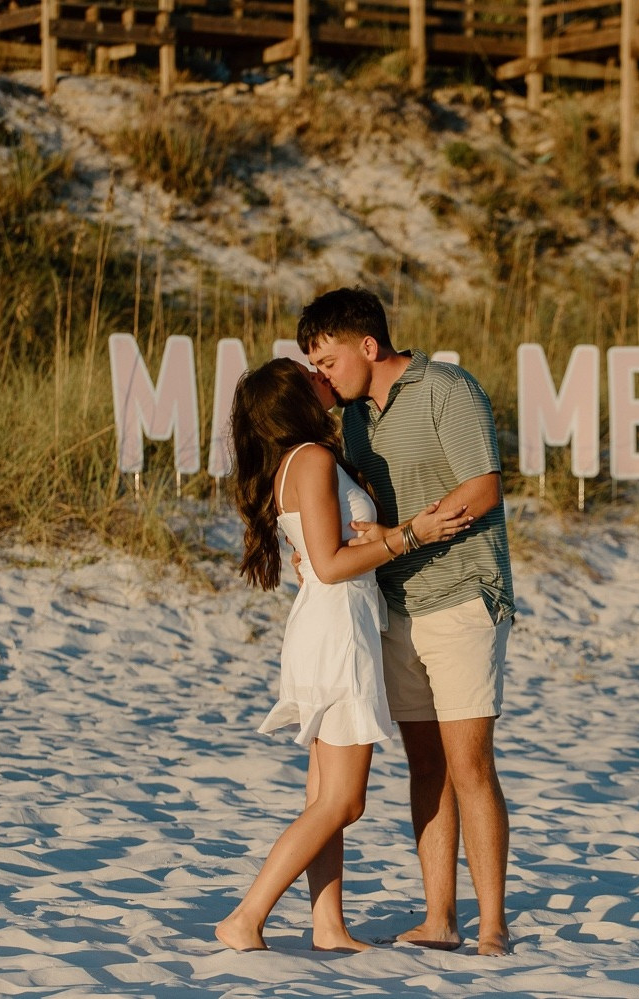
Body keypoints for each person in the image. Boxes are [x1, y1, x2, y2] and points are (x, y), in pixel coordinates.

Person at [215, 357, 473, 954]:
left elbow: (321, 559)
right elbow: (331, 565)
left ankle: (328, 926)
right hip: (339, 633)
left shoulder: (296, 461)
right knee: (344, 801)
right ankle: (245, 917)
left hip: (329, 625)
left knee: (323, 797)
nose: (320, 374)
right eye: (309, 376)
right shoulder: (311, 459)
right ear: (294, 400)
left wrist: (391, 536)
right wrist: (413, 535)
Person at [296, 288, 516, 957]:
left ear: (368, 345)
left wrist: (406, 534)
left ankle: (492, 925)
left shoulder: (446, 388)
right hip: (394, 608)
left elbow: (484, 486)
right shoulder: (357, 420)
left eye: (328, 358)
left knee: (469, 762)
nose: (323, 373)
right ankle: (439, 917)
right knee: (425, 765)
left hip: (462, 596)